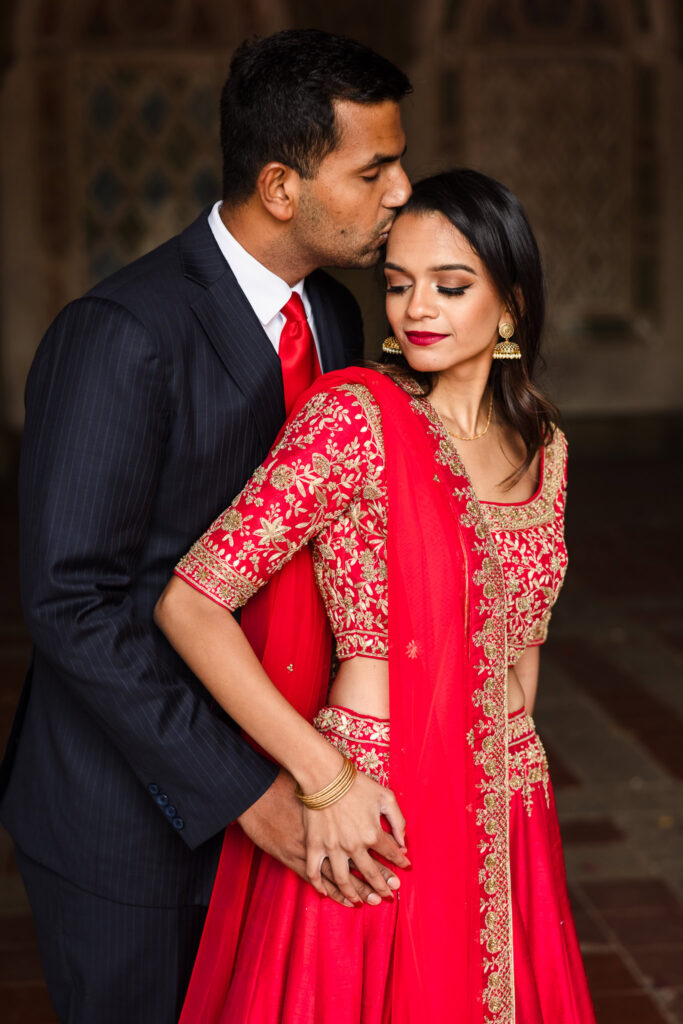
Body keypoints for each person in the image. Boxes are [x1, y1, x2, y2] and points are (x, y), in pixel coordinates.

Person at [0, 30, 413, 1023]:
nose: (401, 191)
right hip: (129, 820)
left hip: (282, 762)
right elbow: (71, 603)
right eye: (374, 169)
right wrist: (252, 791)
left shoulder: (335, 315)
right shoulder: (121, 335)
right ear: (281, 185)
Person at [155, 168, 598, 1023]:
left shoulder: (546, 447)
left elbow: (521, 646)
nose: (415, 309)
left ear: (509, 303)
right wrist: (324, 782)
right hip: (377, 806)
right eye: (397, 284)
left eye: (450, 285)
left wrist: (505, 790)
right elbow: (190, 603)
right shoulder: (355, 420)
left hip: (505, 810)